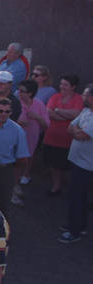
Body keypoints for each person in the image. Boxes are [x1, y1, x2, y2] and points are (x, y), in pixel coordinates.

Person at [58, 84, 93, 243]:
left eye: (86, 95)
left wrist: (77, 131)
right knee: (80, 196)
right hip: (77, 160)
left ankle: (74, 231)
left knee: (76, 197)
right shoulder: (86, 112)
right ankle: (80, 226)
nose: (83, 98)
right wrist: (77, 130)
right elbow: (71, 128)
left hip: (86, 165)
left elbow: (82, 135)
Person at [41, 74, 84, 197]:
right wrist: (65, 116)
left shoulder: (78, 99)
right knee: (54, 165)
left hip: (68, 139)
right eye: (61, 84)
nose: (62, 87)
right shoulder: (55, 97)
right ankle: (56, 186)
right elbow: (48, 112)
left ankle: (71, 189)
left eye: (65, 85)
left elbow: (76, 114)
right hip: (52, 137)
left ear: (73, 87)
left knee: (68, 165)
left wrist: (58, 111)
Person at [16, 79, 50, 187]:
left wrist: (36, 117)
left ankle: (25, 175)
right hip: (16, 138)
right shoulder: (15, 102)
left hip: (31, 137)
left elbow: (46, 125)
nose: (19, 93)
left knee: (28, 157)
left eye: (22, 91)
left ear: (30, 93)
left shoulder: (39, 104)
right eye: (19, 90)